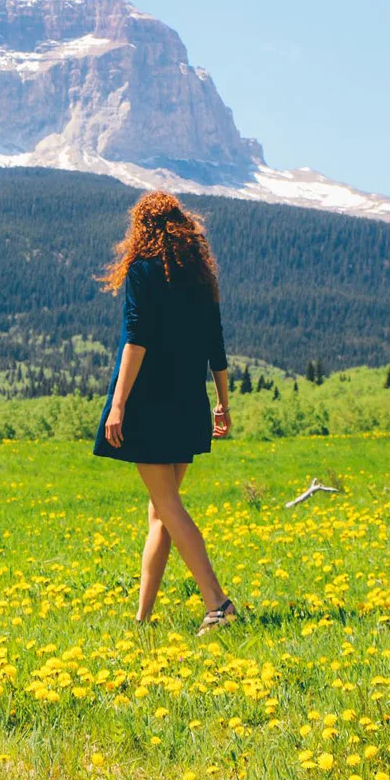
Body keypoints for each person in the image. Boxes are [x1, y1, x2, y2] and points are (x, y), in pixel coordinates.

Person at [92, 190, 236, 636]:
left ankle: (218, 604)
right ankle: (143, 619)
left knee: (168, 506)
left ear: (142, 229)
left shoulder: (143, 270)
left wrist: (118, 404)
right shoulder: (199, 277)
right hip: (188, 404)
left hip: (150, 403)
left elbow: (136, 339)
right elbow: (215, 345)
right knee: (161, 512)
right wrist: (223, 402)